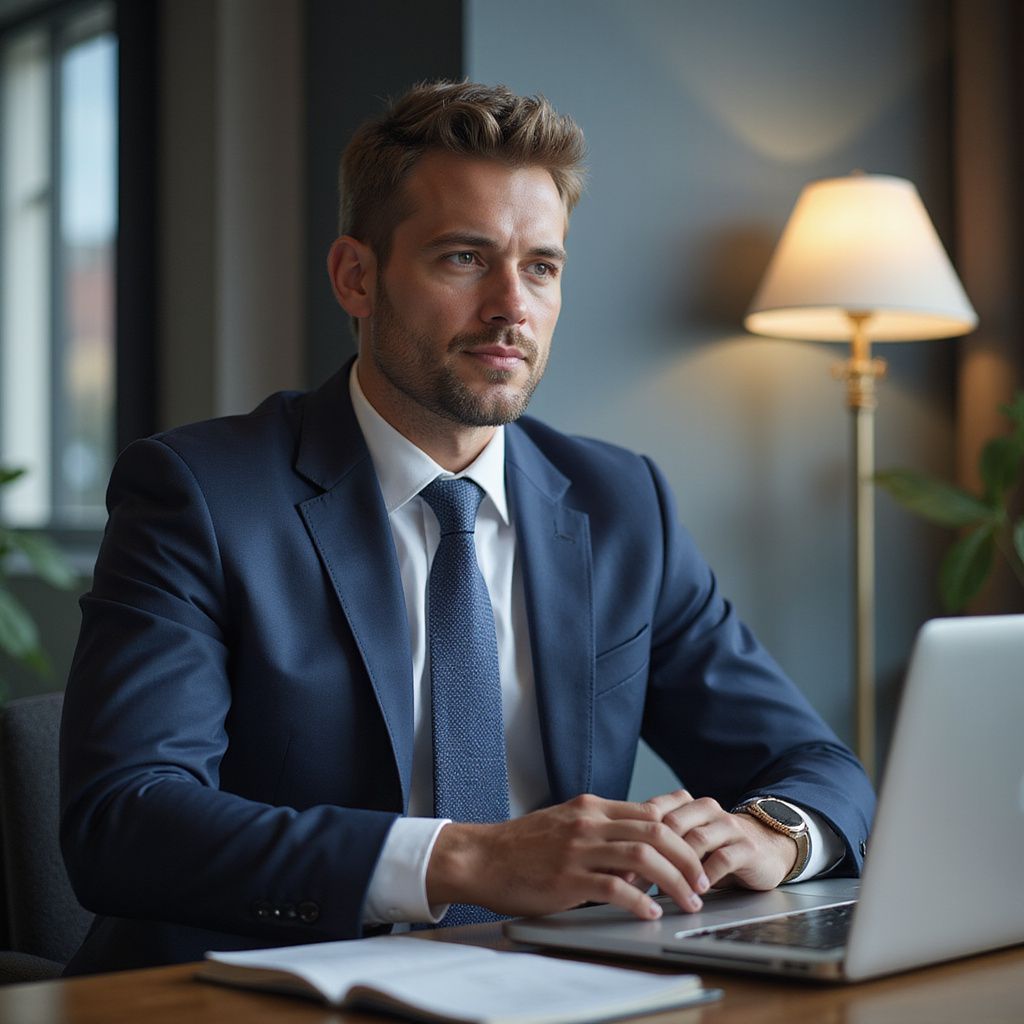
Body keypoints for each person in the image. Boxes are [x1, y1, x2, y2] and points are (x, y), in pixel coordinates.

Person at [59, 80, 874, 975]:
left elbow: (812, 761)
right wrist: (467, 859)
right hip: (256, 994)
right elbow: (124, 819)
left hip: (553, 986)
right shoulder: (201, 495)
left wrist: (775, 836)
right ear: (355, 277)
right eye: (462, 258)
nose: (510, 308)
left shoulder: (619, 501)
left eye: (541, 267)